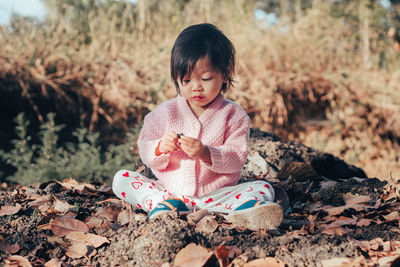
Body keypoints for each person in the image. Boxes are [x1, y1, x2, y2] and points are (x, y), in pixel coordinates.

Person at [112, 23, 283, 230]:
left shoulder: (233, 115)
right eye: (186, 80)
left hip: (218, 195)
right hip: (171, 192)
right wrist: (159, 147)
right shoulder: (164, 113)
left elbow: (237, 158)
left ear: (225, 73)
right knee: (122, 179)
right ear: (176, 78)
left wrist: (206, 153)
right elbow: (146, 149)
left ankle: (245, 209)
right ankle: (162, 205)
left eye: (206, 78)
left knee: (264, 187)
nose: (196, 87)